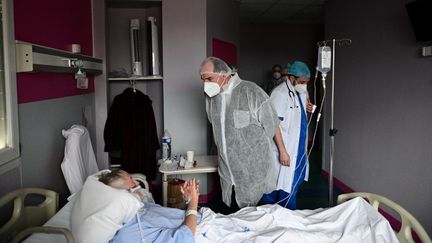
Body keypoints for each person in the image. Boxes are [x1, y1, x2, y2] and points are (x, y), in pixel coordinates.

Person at [200, 56, 279, 213]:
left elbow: (271, 125)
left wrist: (250, 150)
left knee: (253, 220)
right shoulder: (211, 98)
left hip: (253, 171)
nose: (206, 84)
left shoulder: (251, 91)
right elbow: (216, 126)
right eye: (203, 80)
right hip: (227, 171)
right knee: (231, 217)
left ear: (223, 74)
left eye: (209, 78)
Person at [261, 61, 314, 209]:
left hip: (298, 149)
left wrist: (309, 107)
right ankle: (277, 218)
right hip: (283, 149)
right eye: (302, 82)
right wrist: (283, 152)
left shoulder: (302, 91)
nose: (305, 85)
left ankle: (284, 218)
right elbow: (273, 124)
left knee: (291, 185)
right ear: (291, 78)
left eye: (307, 83)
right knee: (278, 188)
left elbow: (300, 114)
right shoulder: (279, 94)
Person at [99, 170, 200, 242]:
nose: (137, 182)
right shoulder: (129, 233)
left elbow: (172, 219)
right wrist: (194, 200)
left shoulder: (140, 207)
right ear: (123, 194)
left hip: (198, 220)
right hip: (201, 232)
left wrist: (187, 200)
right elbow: (185, 237)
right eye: (131, 180)